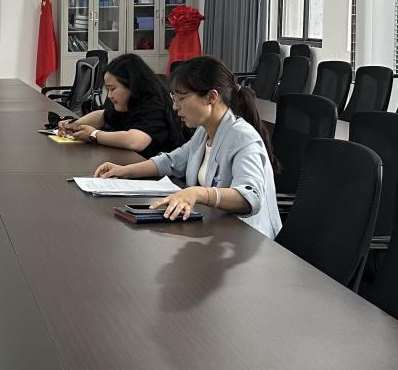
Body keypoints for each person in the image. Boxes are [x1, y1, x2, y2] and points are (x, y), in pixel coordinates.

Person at [94, 55, 281, 238]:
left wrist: (199, 193)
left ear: (211, 97)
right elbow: (171, 161)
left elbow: (251, 196)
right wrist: (126, 170)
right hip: (214, 231)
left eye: (181, 98)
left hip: (247, 239)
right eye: (174, 98)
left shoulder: (242, 137)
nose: (175, 107)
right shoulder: (203, 132)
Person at [56, 53, 185, 156]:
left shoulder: (154, 105)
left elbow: (136, 141)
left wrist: (94, 135)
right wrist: (74, 125)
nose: (109, 95)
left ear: (132, 85)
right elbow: (103, 115)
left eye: (112, 89)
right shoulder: (129, 103)